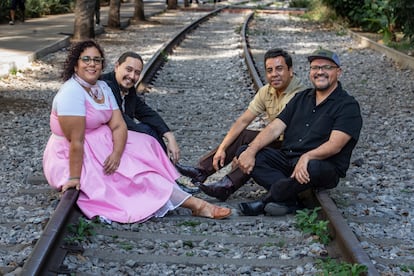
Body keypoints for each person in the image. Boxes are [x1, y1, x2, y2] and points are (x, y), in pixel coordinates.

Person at [42, 40, 231, 224]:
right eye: (86, 59)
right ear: (75, 64)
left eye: (97, 60)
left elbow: (118, 125)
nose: (92, 64)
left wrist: (116, 153)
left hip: (101, 143)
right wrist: (74, 178)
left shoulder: (102, 87)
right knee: (133, 173)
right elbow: (76, 141)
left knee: (147, 145)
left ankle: (176, 194)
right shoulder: (71, 93)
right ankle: (196, 205)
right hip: (73, 155)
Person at [236, 48, 363, 216]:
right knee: (245, 151)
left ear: (338, 72)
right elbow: (275, 128)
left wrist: (307, 156)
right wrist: (251, 150)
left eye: (326, 67)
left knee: (313, 167)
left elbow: (335, 146)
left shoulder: (348, 106)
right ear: (310, 72)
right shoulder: (301, 98)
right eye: (315, 68)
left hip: (321, 166)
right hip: (288, 160)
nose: (320, 72)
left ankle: (265, 201)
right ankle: (290, 199)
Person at [175, 48, 306, 201]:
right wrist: (222, 149)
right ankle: (202, 171)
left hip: (292, 149)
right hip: (277, 141)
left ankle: (226, 185)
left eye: (279, 69)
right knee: (244, 135)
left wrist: (246, 153)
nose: (274, 74)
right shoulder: (267, 91)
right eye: (269, 70)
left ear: (290, 71)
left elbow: (277, 132)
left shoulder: (299, 95)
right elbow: (243, 120)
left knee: (251, 149)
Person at [100, 51, 199, 194]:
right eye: (128, 70)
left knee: (150, 128)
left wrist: (169, 135)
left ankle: (170, 178)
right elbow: (120, 119)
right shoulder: (107, 85)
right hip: (106, 142)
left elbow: (145, 112)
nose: (132, 76)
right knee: (147, 133)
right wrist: (148, 138)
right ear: (116, 66)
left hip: (119, 136)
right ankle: (170, 179)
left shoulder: (128, 89)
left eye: (136, 73)